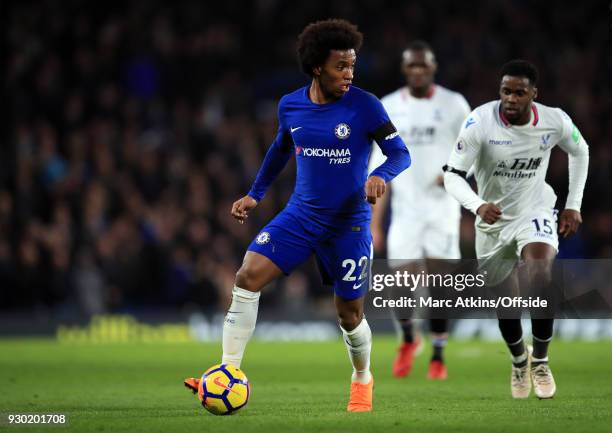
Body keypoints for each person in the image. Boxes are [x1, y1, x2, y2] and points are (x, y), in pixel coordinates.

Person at [184, 19, 411, 412]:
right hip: (302, 216)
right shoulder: (291, 105)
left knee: (349, 314)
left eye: (353, 66)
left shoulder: (365, 105)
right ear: (317, 66)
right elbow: (279, 149)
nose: (349, 75)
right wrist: (255, 194)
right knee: (247, 277)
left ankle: (362, 378)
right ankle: (226, 372)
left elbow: (400, 154)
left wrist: (378, 174)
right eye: (341, 66)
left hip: (349, 223)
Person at [443, 59, 589, 399]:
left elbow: (580, 151)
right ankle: (518, 359)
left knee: (539, 273)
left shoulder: (554, 120)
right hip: (492, 223)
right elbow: (452, 175)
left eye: (519, 92)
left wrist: (573, 204)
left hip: (535, 210)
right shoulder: (479, 122)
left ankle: (540, 360)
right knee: (507, 303)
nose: (510, 98)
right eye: (505, 91)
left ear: (533, 94)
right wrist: (478, 205)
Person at [370, 41, 470, 380]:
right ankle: (410, 338)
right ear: (404, 69)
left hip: (442, 209)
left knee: (442, 285)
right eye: (411, 66)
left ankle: (438, 356)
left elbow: (475, 149)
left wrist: (456, 173)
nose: (417, 71)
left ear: (433, 67)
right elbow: (379, 171)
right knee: (401, 283)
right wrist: (375, 224)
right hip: (406, 210)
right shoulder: (388, 107)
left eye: (422, 66)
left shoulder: (454, 104)